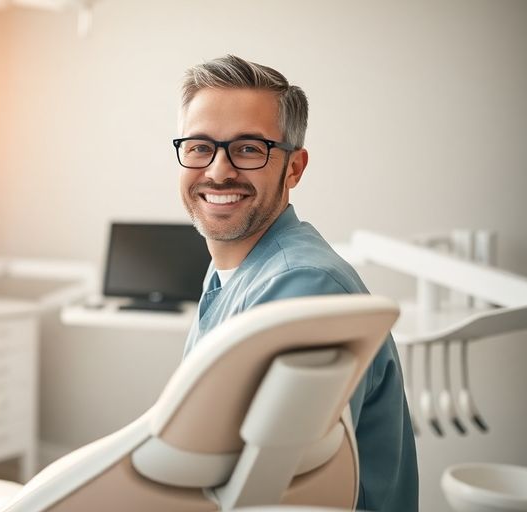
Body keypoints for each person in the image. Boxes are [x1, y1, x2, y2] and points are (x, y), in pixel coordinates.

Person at [175, 55, 419, 511]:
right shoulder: (232, 270)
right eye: (199, 146)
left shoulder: (302, 284)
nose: (218, 170)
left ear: (293, 168)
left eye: (249, 148)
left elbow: (259, 486)